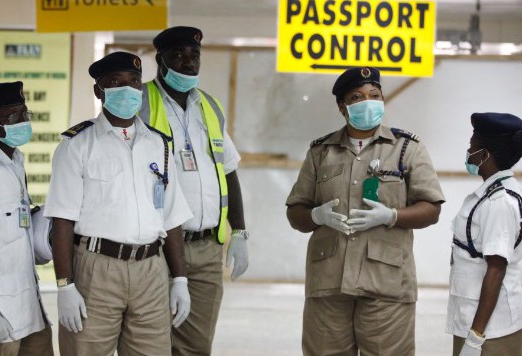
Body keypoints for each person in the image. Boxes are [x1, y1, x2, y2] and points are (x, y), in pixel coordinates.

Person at [285, 66, 445, 355]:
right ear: (342, 107)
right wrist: (314, 216)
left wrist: (392, 215)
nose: (368, 101)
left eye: (375, 95)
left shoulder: (407, 148)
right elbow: (295, 210)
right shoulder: (321, 151)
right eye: (357, 97)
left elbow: (431, 208)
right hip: (329, 283)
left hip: (387, 284)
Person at [44, 51, 193, 355]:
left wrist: (180, 279)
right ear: (99, 91)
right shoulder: (77, 146)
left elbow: (172, 217)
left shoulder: (159, 145)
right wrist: (65, 286)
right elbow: (62, 220)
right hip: (97, 270)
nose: (127, 89)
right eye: (116, 81)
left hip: (151, 269)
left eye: (134, 81)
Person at [139, 26, 250, 356]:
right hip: (155, 246)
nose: (189, 63)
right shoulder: (141, 102)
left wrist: (240, 231)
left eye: (195, 56)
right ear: (160, 61)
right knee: (153, 341)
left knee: (196, 344)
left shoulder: (210, 107)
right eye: (178, 56)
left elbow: (228, 170)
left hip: (205, 248)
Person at [0, 81, 54, 356]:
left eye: (24, 113)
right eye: (12, 116)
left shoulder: (15, 162)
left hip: (30, 303)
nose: (22, 121)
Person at [447, 112, 522, 356]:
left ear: (485, 155)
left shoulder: (499, 202)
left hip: (492, 330)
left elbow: (496, 268)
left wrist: (476, 338)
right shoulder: (493, 195)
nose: (468, 151)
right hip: (476, 320)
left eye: (473, 146)